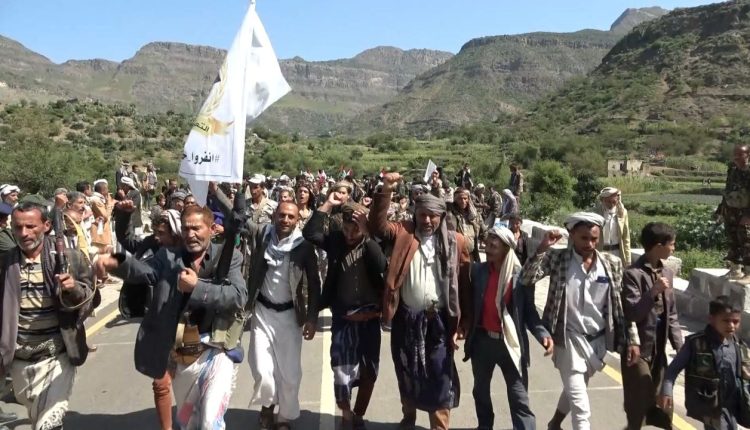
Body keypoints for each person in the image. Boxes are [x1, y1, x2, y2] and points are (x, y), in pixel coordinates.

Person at [97, 205, 247, 430]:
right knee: (188, 421)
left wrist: (197, 288)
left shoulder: (230, 256)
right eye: (186, 229)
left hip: (218, 350)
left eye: (196, 228)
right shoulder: (167, 256)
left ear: (211, 229)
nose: (190, 234)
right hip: (182, 349)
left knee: (210, 422)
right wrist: (115, 260)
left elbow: (238, 296)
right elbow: (142, 269)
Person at [369, 172, 471, 430]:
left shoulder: (456, 242)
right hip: (407, 318)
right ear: (415, 214)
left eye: (432, 215)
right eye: (422, 214)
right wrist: (386, 190)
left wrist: (462, 324)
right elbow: (378, 227)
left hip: (438, 322)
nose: (426, 220)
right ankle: (409, 417)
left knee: (440, 375)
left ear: (441, 216)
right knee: (407, 370)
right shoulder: (403, 233)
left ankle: (439, 426)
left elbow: (464, 286)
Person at [521, 212, 640, 430]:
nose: (589, 244)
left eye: (594, 239)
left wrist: (632, 339)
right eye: (584, 238)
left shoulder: (611, 264)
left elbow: (621, 305)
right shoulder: (558, 259)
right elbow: (526, 278)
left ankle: (555, 423)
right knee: (581, 406)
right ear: (572, 235)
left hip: (597, 341)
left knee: (577, 388)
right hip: (567, 339)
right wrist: (542, 248)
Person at [1, 199, 96, 430]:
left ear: (46, 226)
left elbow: (92, 298)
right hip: (19, 359)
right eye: (18, 227)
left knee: (48, 423)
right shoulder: (5, 263)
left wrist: (73, 289)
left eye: (30, 226)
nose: (24, 233)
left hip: (56, 357)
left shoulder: (69, 258)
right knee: (38, 418)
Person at [303, 194, 386, 430]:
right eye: (346, 229)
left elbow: (381, 265)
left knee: (369, 372)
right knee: (341, 370)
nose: (350, 235)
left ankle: (359, 414)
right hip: (343, 318)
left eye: (355, 230)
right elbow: (310, 233)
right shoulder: (336, 241)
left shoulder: (372, 241)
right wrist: (328, 204)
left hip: (370, 319)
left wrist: (367, 234)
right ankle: (346, 413)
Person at [463, 226, 553, 430]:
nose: (487, 249)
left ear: (506, 248)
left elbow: (529, 311)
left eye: (493, 246)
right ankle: (484, 426)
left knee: (519, 397)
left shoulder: (520, 278)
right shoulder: (478, 272)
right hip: (483, 343)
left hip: (510, 345)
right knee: (480, 391)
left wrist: (543, 334)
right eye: (487, 244)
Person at [245, 202, 320, 430]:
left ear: (297, 220)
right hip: (263, 313)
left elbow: (314, 284)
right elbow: (237, 217)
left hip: (290, 316)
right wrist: (214, 189)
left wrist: (312, 318)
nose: (285, 220)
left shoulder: (303, 247)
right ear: (274, 216)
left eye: (290, 216)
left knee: (290, 374)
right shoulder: (263, 236)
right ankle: (267, 406)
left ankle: (284, 418)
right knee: (262, 369)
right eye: (282, 215)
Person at [621, 222, 684, 430]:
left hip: (659, 348)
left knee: (664, 401)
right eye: (671, 244)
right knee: (640, 399)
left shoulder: (667, 272)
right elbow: (633, 313)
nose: (673, 248)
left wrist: (680, 346)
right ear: (658, 246)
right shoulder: (632, 274)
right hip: (638, 348)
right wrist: (653, 292)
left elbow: (671, 314)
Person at [658, 296, 749, 430]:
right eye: (726, 320)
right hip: (711, 405)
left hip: (733, 406)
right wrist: (666, 391)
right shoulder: (696, 343)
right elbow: (672, 370)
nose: (731, 326)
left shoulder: (738, 345)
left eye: (735, 322)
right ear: (711, 319)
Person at [715, 144, 750, 282]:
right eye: (735, 154)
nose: (736, 157)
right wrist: (721, 210)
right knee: (732, 239)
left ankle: (749, 272)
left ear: (748, 155)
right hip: (731, 210)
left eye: (740, 154)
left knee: (747, 240)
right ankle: (735, 269)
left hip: (745, 212)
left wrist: (748, 215)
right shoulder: (732, 169)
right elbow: (728, 189)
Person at [593, 187, 632, 267]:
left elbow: (626, 237)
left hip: (617, 253)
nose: (611, 204)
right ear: (602, 200)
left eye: (614, 201)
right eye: (608, 201)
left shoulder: (622, 212)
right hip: (600, 252)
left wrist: (628, 260)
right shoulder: (596, 213)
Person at [447, 188, 485, 262]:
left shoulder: (475, 215)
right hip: (455, 254)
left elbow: (484, 231)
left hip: (471, 254)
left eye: (465, 198)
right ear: (455, 199)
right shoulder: (450, 214)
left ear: (469, 199)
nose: (463, 201)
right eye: (460, 199)